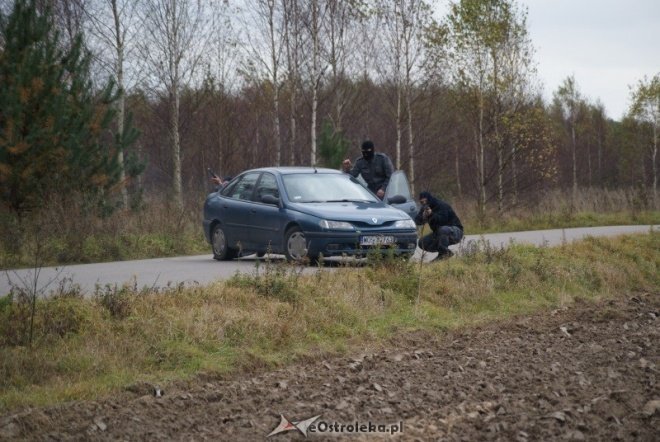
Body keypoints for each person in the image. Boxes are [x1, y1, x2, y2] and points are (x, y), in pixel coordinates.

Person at [414, 191, 463, 261]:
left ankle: (443, 254)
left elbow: (443, 221)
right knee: (422, 243)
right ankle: (446, 253)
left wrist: (431, 214)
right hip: (439, 233)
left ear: (429, 199)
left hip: (456, 232)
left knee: (443, 229)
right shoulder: (424, 208)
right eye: (422, 202)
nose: (424, 203)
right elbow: (417, 221)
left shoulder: (442, 205)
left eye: (425, 201)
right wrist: (423, 217)